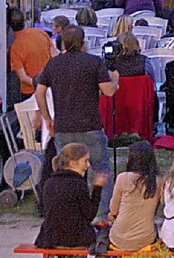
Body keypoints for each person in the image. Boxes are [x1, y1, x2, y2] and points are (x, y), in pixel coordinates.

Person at [35, 26, 119, 220]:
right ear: (83, 42)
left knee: (66, 173)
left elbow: (39, 92)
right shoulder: (93, 62)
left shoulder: (53, 64)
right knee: (100, 169)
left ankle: (69, 212)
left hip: (63, 126)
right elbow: (108, 91)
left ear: (63, 42)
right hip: (90, 126)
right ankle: (101, 215)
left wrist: (48, 119)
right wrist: (115, 80)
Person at [35, 142, 108, 250]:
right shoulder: (78, 183)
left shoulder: (49, 182)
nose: (88, 165)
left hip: (50, 238)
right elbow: (89, 214)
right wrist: (97, 188)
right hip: (75, 239)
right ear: (74, 163)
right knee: (104, 236)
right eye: (85, 161)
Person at [109, 141, 162, 252]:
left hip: (118, 238)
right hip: (145, 239)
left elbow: (113, 210)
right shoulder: (159, 181)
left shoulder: (122, 178)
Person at [8, 7, 57, 99]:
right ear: (24, 20)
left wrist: (39, 85)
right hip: (50, 86)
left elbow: (23, 77)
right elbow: (55, 58)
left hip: (30, 91)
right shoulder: (40, 33)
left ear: (9, 25)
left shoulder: (15, 47)